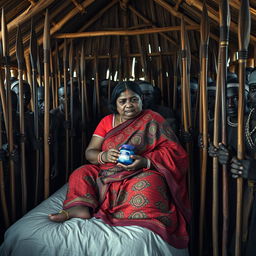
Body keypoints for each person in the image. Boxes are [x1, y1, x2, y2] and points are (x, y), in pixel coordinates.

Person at [48, 81, 191, 249]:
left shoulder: (152, 119)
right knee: (81, 172)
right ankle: (80, 207)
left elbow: (176, 153)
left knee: (152, 182)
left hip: (139, 172)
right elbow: (90, 153)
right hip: (107, 173)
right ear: (115, 104)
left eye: (134, 99)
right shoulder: (107, 121)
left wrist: (145, 161)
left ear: (141, 100)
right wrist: (104, 155)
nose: (129, 105)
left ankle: (135, 214)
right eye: (123, 101)